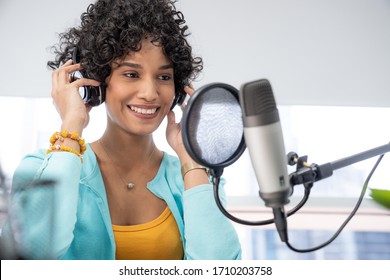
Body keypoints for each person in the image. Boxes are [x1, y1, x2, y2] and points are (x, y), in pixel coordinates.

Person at [1, 0, 241, 260]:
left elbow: (222, 268)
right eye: (131, 74)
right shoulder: (41, 171)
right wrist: (72, 124)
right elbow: (32, 256)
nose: (150, 93)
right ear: (98, 81)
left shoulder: (194, 179)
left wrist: (190, 159)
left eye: (163, 77)